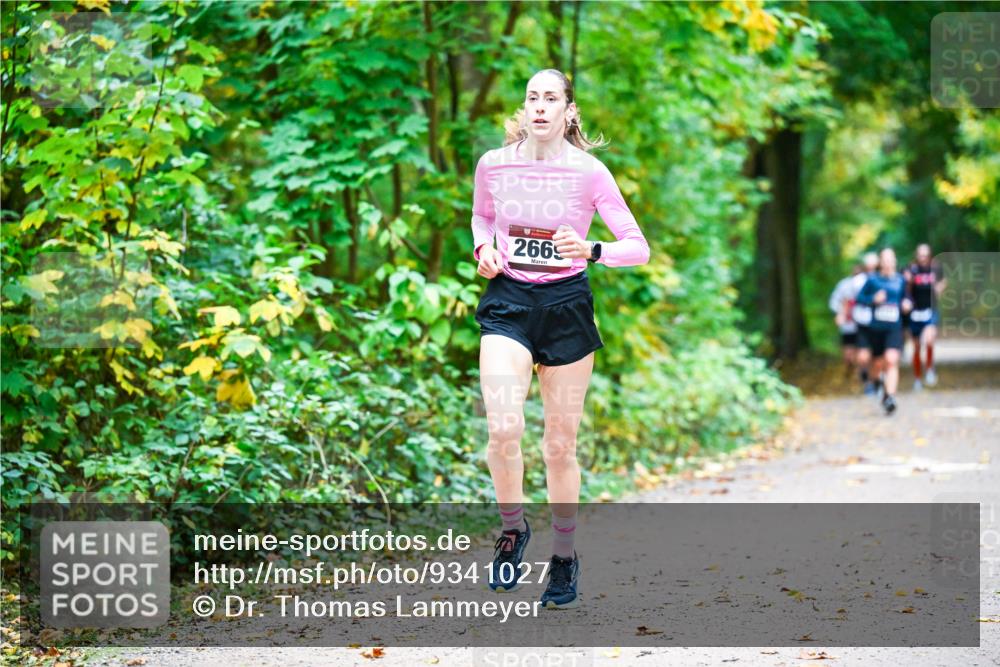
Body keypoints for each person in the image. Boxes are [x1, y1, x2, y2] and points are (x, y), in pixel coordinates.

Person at [470, 68, 649, 609]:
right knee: (503, 427)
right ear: (524, 109)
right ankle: (512, 529)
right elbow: (481, 217)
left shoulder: (590, 173)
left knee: (558, 445)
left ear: (569, 111)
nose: (540, 107)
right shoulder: (494, 164)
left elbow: (637, 247)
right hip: (509, 301)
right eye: (532, 98)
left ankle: (564, 557)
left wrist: (592, 250)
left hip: (567, 306)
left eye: (551, 98)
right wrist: (484, 249)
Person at [855, 248, 909, 415]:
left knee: (891, 360)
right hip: (876, 328)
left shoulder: (901, 280)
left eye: (890, 259)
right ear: (880, 262)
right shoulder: (872, 280)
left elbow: (906, 297)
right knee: (878, 364)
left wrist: (907, 304)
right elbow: (859, 298)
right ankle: (876, 382)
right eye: (884, 259)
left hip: (894, 327)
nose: (888, 262)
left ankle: (890, 397)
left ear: (895, 261)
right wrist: (873, 299)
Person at [903, 244, 946, 390]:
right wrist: (908, 282)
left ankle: (929, 368)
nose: (923, 258)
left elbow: (942, 284)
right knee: (916, 347)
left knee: (929, 339)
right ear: (916, 255)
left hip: (930, 309)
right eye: (920, 255)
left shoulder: (936, 268)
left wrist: (938, 287)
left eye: (925, 255)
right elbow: (904, 288)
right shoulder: (911, 269)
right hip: (915, 312)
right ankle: (917, 378)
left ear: (930, 255)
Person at [850, 252, 880, 394]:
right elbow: (851, 300)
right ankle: (866, 376)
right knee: (863, 356)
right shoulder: (857, 281)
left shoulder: (883, 279)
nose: (871, 268)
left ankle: (874, 381)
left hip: (879, 322)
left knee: (876, 355)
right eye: (869, 265)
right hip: (862, 322)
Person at [829, 265, 863, 378]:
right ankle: (850, 368)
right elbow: (834, 301)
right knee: (848, 353)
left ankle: (859, 373)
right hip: (848, 325)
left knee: (860, 351)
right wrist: (839, 313)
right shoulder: (844, 284)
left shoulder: (867, 283)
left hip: (862, 325)